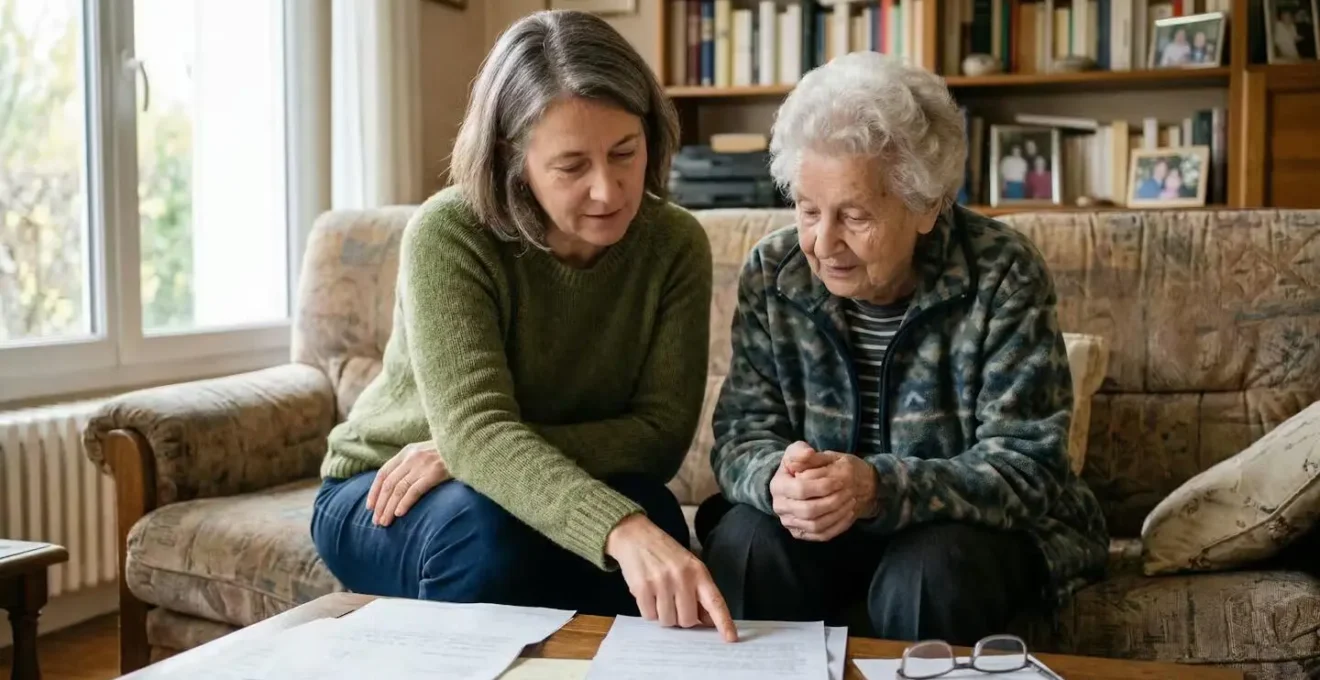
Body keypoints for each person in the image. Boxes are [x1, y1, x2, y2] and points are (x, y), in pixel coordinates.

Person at [309, 10, 737, 642]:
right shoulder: (450, 233)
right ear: (514, 160)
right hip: (385, 484)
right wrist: (608, 524)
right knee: (484, 532)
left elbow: (658, 437)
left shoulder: (674, 243)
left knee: (660, 516)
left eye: (625, 152)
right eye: (571, 167)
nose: (607, 189)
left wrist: (468, 455)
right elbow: (478, 430)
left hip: (466, 467)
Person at [695, 51, 1108, 646]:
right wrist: (778, 480)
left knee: (925, 576)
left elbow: (1028, 464)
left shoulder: (1001, 273)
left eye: (854, 216)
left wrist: (878, 489)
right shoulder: (775, 271)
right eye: (809, 210)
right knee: (745, 545)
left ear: (926, 206)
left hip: (959, 533)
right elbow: (741, 433)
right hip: (823, 535)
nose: (823, 243)